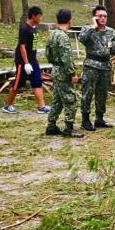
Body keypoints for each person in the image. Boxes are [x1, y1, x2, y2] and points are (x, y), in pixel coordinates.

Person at [78, 5, 115, 131]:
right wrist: (93, 26)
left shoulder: (111, 31)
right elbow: (81, 39)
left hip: (105, 66)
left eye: (105, 16)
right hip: (91, 65)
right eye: (100, 16)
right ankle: (85, 120)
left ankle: (99, 119)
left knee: (102, 94)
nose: (103, 18)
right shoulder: (88, 29)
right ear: (95, 17)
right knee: (87, 93)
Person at [3, 6, 50, 115]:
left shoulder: (34, 29)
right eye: (39, 16)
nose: (40, 18)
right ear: (33, 16)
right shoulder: (24, 29)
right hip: (23, 62)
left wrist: (32, 61)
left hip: (33, 60)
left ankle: (42, 107)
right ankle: (7, 105)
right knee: (18, 83)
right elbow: (22, 46)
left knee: (37, 81)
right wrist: (26, 63)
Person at [45, 9, 83, 138]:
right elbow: (66, 57)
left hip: (55, 70)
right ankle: (69, 128)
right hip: (63, 72)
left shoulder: (52, 34)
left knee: (57, 100)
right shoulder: (63, 36)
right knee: (71, 99)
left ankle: (51, 125)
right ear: (70, 20)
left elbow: (48, 54)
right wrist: (72, 73)